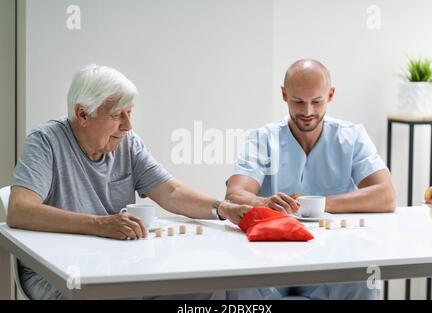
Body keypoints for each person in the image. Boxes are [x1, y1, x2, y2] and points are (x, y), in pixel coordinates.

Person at [7, 64, 276, 300]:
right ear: (83, 114)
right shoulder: (45, 141)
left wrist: (222, 208)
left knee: (206, 292)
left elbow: (171, 191)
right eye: (116, 115)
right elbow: (20, 210)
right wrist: (99, 224)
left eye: (129, 113)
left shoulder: (128, 144)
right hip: (58, 272)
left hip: (116, 267)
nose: (127, 125)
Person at [226, 59, 397, 299]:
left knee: (364, 282)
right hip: (268, 258)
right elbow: (234, 195)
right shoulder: (262, 138)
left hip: (333, 259)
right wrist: (264, 203)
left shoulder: (351, 136)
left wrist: (317, 204)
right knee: (239, 287)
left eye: (317, 102)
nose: (307, 112)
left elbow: (386, 195)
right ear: (284, 95)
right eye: (298, 101)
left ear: (331, 94)